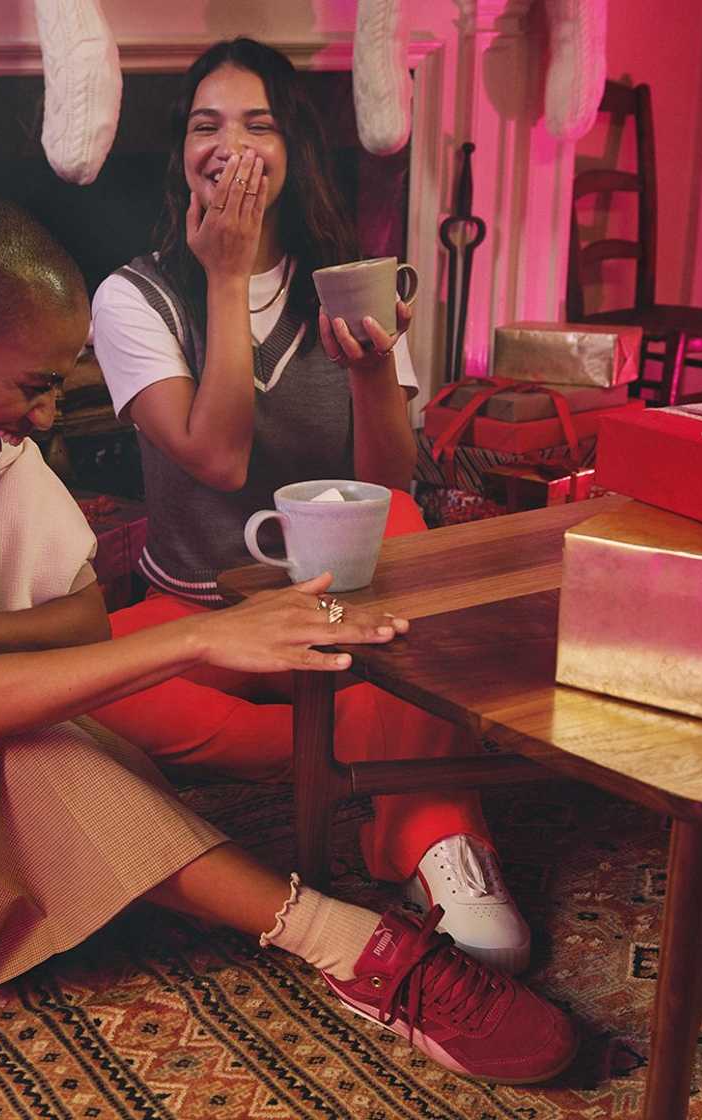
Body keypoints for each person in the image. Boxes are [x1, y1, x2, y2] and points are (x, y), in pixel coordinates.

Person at [0, 197, 574, 1088]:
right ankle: (360, 950)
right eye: (33, 388)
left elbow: (77, 617)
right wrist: (204, 638)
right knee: (45, 768)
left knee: (100, 772)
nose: (44, 419)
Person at [90, 38, 530, 973]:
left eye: (258, 124)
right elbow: (217, 459)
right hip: (203, 626)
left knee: (406, 528)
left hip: (334, 621)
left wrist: (373, 369)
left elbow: (389, 482)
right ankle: (368, 745)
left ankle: (432, 829)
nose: (229, 144)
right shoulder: (133, 297)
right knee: (74, 692)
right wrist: (223, 276)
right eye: (205, 125)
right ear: (181, 154)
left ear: (293, 151)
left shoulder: (350, 281)